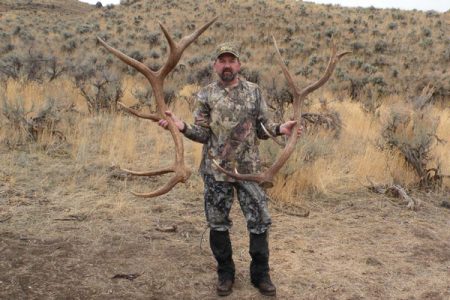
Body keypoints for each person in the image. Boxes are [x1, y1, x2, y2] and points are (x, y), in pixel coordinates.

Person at [158, 42, 300, 297]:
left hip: (250, 171)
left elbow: (261, 128)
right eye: (222, 60)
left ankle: (261, 275)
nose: (226, 65)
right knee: (218, 223)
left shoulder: (254, 92)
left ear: (239, 64)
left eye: (231, 60)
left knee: (258, 222)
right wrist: (181, 126)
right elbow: (202, 133)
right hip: (216, 170)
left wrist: (281, 128)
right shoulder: (206, 94)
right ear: (215, 65)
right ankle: (225, 273)